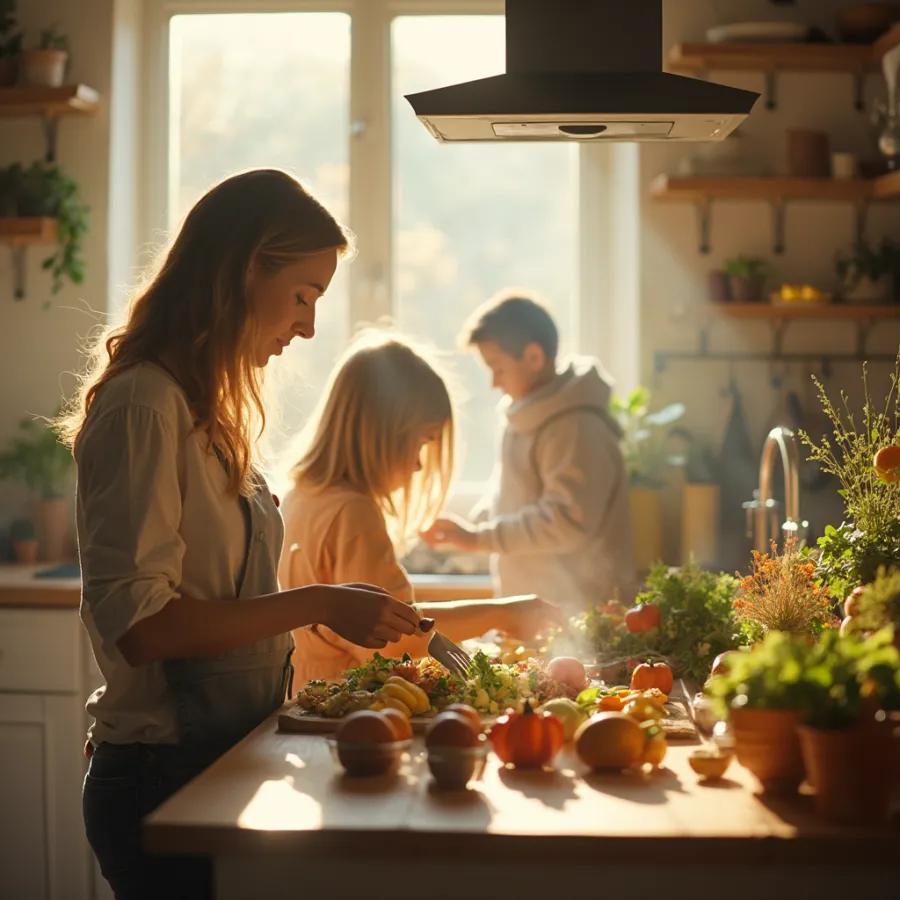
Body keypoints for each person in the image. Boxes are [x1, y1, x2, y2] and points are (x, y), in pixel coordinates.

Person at [58, 169, 420, 900]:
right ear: (245, 267)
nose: (309, 326)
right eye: (303, 296)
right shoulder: (143, 405)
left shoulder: (205, 411)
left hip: (219, 756)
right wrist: (316, 599)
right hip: (160, 772)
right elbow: (143, 627)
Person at [278, 330, 564, 686]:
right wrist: (501, 613)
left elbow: (400, 619)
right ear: (385, 431)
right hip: (345, 706)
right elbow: (395, 643)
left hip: (305, 693)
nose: (417, 464)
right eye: (422, 441)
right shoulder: (352, 513)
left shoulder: (304, 494)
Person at [420, 290, 636, 617]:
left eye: (498, 368)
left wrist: (478, 538)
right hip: (535, 611)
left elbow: (564, 522)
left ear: (534, 357)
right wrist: (468, 530)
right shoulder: (525, 417)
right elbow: (509, 497)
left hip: (577, 615)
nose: (494, 383)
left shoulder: (574, 426)